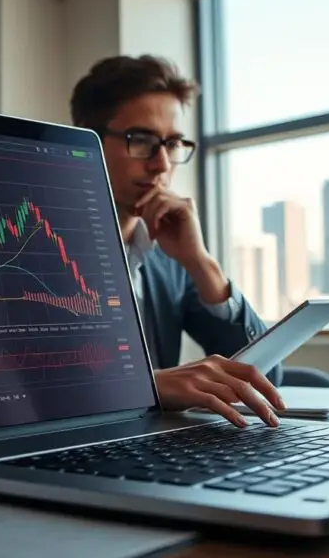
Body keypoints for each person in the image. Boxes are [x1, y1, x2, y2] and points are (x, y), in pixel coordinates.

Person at [70, 55, 284, 428]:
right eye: (142, 141)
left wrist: (201, 263)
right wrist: (147, 386)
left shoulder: (168, 257)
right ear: (89, 140)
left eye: (171, 144)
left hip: (155, 445)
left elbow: (265, 376)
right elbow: (21, 389)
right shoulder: (36, 247)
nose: (162, 164)